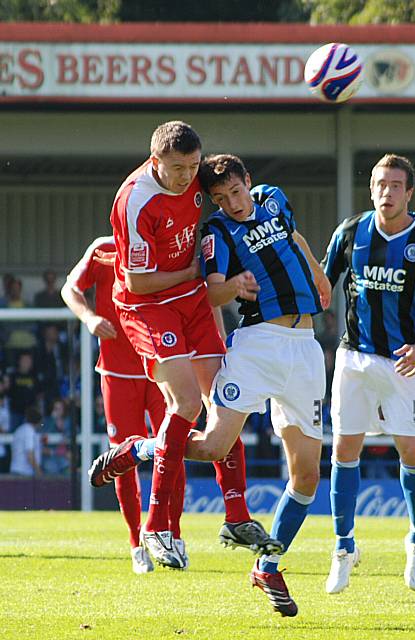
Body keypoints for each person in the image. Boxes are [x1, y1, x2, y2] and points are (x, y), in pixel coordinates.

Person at [91, 153, 331, 616]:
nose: (232, 203)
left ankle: (268, 566)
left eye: (236, 192)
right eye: (220, 198)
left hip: (306, 350)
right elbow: (212, 288)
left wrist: (320, 276)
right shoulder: (218, 233)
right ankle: (137, 450)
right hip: (259, 343)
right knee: (213, 446)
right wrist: (233, 286)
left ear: (250, 182)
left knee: (306, 474)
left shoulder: (274, 199)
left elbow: (296, 237)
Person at [88, 122, 276, 570]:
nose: (186, 176)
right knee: (187, 403)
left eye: (193, 166)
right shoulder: (135, 200)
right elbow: (136, 280)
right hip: (148, 307)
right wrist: (194, 273)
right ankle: (157, 527)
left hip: (191, 303)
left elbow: (236, 194)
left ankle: (235, 515)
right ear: (155, 162)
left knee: (226, 403)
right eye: (177, 169)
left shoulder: (198, 179)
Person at [321, 153, 415, 594]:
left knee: (412, 453)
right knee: (344, 450)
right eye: (380, 184)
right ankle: (344, 548)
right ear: (371, 190)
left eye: (396, 185)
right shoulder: (349, 232)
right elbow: (323, 288)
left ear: (409, 192)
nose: (387, 192)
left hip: (403, 363)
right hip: (354, 358)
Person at [61, 235, 185, 573]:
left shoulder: (168, 248)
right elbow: (70, 288)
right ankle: (136, 545)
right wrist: (88, 318)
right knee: (122, 456)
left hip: (161, 366)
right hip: (117, 373)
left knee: (171, 448)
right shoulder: (104, 248)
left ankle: (172, 535)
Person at [10, 406, 43, 476]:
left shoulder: (20, 429)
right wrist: (39, 472)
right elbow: (30, 455)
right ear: (39, 421)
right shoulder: (29, 431)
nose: (41, 424)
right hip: (23, 473)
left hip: (16, 470)